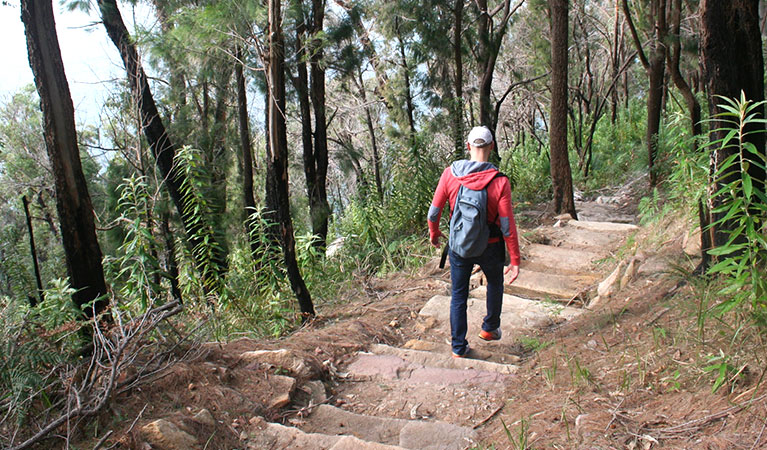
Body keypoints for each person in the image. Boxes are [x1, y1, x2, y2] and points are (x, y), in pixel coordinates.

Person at [427, 126, 520, 358]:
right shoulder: (500, 181)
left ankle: (458, 347)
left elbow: (433, 213)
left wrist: (435, 233)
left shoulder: (451, 173)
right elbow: (507, 226)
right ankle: (489, 328)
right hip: (491, 245)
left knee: (458, 294)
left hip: (459, 246)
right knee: (495, 283)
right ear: (492, 147)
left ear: (468, 147)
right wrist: (515, 259)